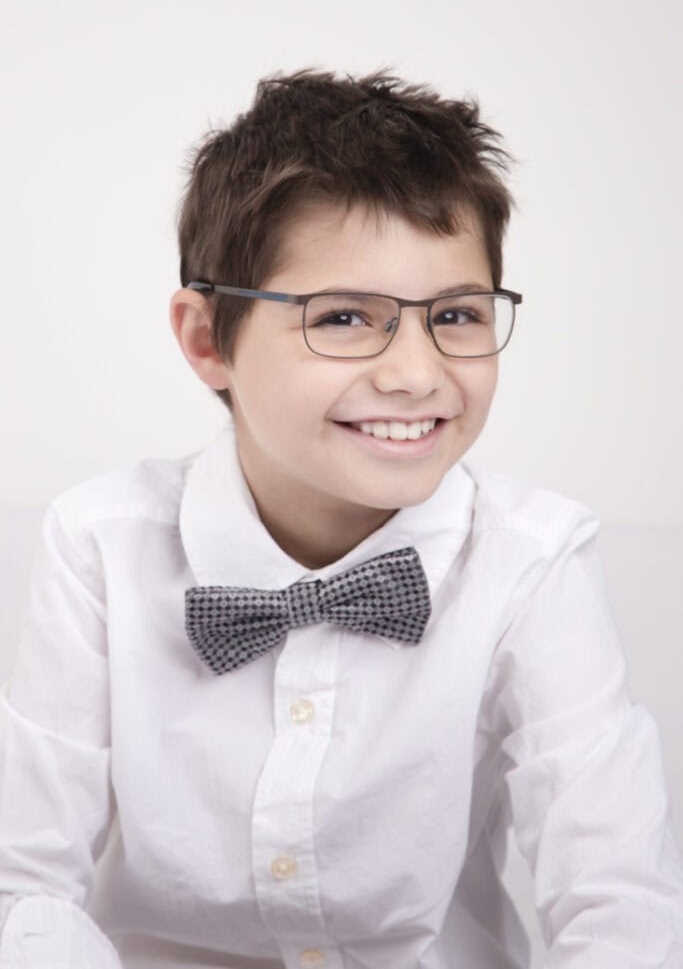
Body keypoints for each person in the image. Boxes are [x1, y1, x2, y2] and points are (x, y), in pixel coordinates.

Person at [1, 69, 682, 969]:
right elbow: (24, 884)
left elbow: (619, 899)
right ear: (208, 340)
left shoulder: (533, 559)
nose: (413, 372)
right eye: (346, 317)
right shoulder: (101, 543)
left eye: (454, 315)